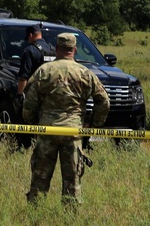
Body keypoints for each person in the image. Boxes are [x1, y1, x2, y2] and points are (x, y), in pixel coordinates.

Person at [22, 32, 109, 206]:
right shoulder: (85, 73)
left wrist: (33, 124)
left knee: (39, 180)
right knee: (72, 183)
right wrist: (92, 125)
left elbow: (29, 102)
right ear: (75, 50)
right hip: (73, 133)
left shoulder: (44, 71)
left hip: (47, 131)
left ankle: (35, 215)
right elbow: (104, 101)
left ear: (56, 49)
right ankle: (70, 218)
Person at [15, 25, 55, 148]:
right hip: (51, 94)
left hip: (34, 94)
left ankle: (25, 146)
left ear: (31, 35)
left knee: (26, 123)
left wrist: (20, 94)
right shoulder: (52, 50)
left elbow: (23, 77)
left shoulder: (30, 50)